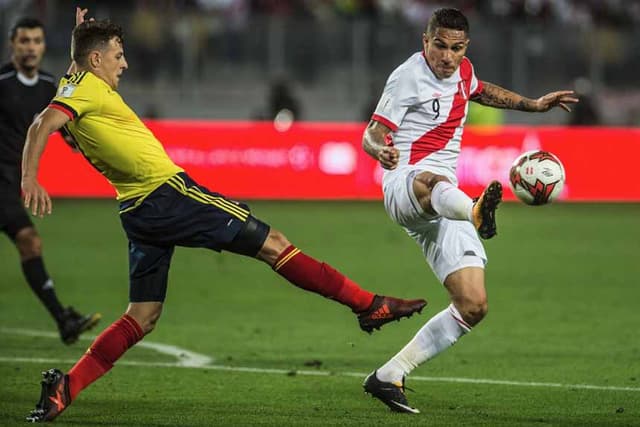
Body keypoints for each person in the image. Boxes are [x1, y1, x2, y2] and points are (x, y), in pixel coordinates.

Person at [23, 8, 426, 422]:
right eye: (117, 55)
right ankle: (366, 305)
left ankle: (65, 387)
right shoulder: (86, 89)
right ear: (96, 60)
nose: (124, 63)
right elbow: (42, 124)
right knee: (275, 245)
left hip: (137, 210)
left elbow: (71, 79)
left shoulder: (75, 80)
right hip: (169, 195)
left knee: (142, 315)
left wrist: (80, 35)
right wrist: (30, 178)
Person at [360, 8, 578, 413]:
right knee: (434, 182)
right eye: (439, 45)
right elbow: (370, 135)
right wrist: (381, 151)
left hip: (450, 204)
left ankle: (389, 374)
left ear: (465, 47)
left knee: (473, 304)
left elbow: (479, 89)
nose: (446, 56)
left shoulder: (463, 70)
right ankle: (476, 212)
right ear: (425, 42)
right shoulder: (407, 77)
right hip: (405, 184)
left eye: (455, 48)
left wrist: (533, 105)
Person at [0, 17, 101, 345]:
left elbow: (63, 122)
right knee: (30, 240)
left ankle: (63, 319)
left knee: (30, 243)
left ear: (44, 46)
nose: (30, 47)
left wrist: (76, 139)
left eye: (36, 41)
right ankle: (63, 318)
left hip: (10, 186)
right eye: (24, 41)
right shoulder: (1, 82)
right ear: (12, 44)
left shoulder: (47, 86)